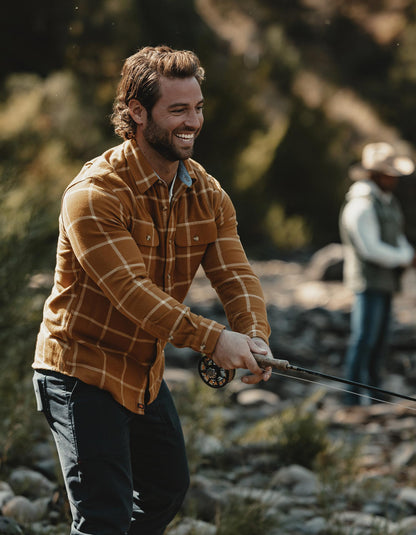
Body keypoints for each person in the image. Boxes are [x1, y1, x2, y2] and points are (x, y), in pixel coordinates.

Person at [32, 45, 273, 535]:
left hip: (143, 368)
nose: (193, 122)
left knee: (165, 490)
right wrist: (214, 340)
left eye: (198, 107)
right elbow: (132, 293)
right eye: (178, 110)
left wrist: (253, 335)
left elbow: (235, 274)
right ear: (137, 113)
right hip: (81, 369)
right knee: (103, 516)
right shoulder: (94, 195)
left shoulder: (208, 193)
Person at [339, 141, 416, 406]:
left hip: (385, 283)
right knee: (363, 340)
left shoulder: (387, 201)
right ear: (375, 174)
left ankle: (375, 396)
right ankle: (350, 398)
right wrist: (406, 258)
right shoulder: (360, 204)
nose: (393, 179)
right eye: (389, 174)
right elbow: (370, 248)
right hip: (367, 282)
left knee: (380, 341)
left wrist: (407, 253)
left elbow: (396, 238)